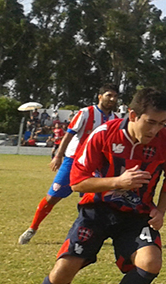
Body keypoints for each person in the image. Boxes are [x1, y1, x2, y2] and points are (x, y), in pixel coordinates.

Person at [5, 87, 166, 284]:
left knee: (151, 263)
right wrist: (118, 182)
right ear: (133, 115)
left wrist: (161, 210)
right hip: (95, 212)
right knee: (64, 269)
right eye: (151, 122)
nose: (156, 130)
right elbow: (78, 182)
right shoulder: (104, 135)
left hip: (135, 216)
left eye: (162, 123)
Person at [18, 84, 119, 245]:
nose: (112, 99)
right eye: (109, 95)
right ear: (100, 97)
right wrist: (58, 155)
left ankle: (91, 234)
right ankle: (33, 228)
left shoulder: (115, 119)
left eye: (115, 96)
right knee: (52, 197)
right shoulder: (86, 113)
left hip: (95, 165)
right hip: (73, 161)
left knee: (96, 202)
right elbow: (69, 134)